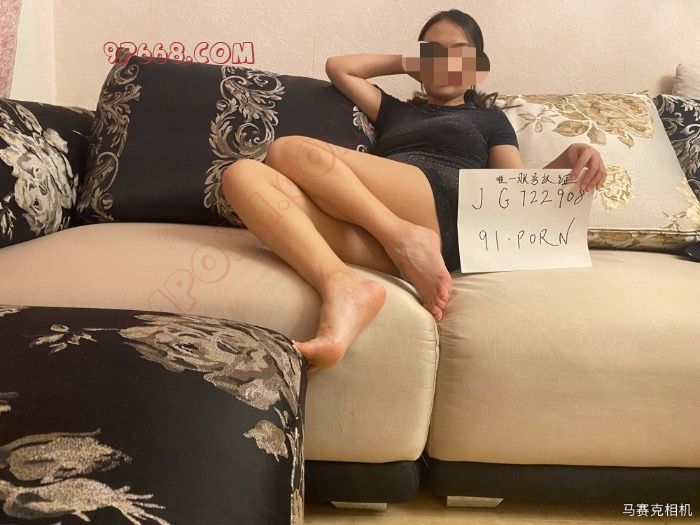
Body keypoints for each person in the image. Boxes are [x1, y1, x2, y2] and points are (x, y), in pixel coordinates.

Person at [221, 9, 607, 373]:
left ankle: (404, 238)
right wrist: (411, 61)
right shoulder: (395, 110)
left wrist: (569, 159)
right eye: (434, 53)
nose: (446, 62)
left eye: (459, 53)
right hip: (396, 245)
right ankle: (344, 286)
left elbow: (512, 192)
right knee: (241, 176)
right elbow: (339, 67)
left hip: (441, 208)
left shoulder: (490, 119)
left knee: (286, 150)